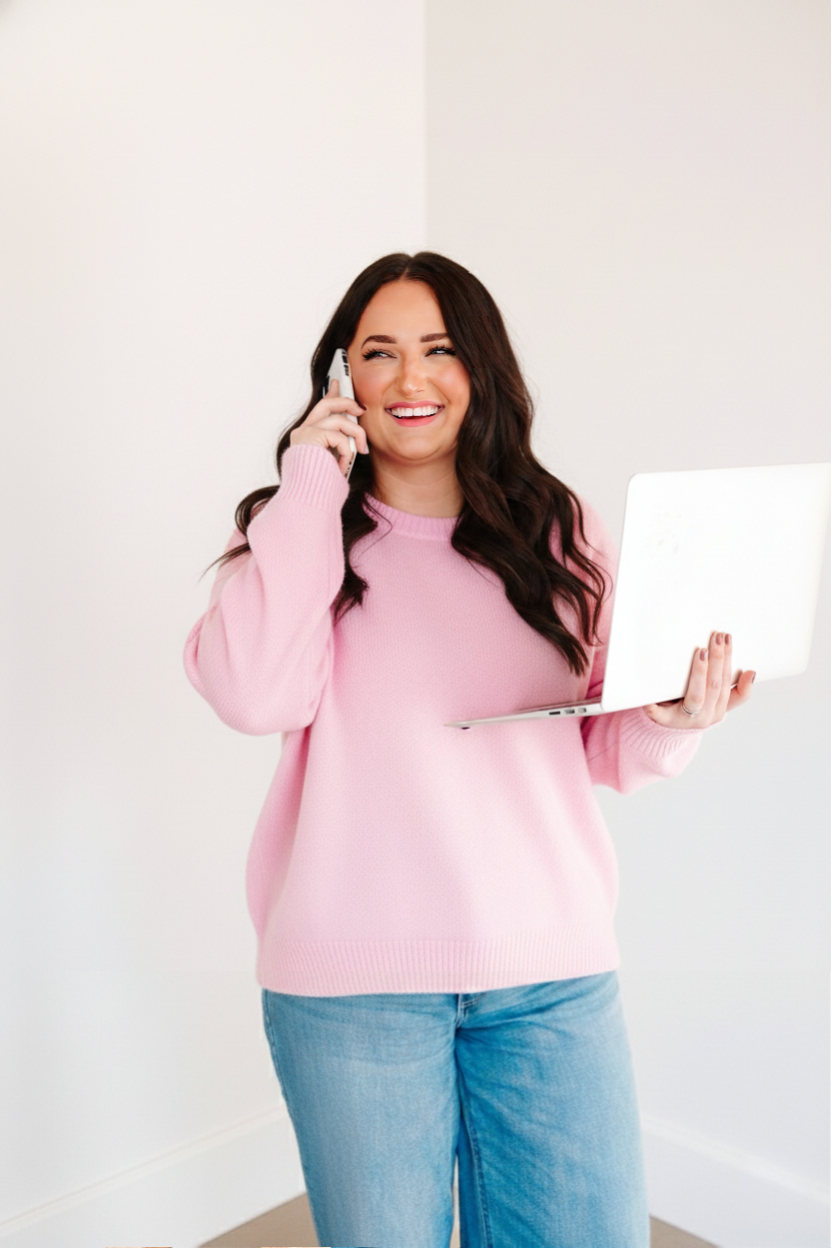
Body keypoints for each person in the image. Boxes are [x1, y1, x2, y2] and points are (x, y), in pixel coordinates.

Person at [184, 252, 754, 1248]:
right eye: (379, 354)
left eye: (440, 351)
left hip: (551, 978)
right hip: (350, 993)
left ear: (481, 369)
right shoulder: (299, 534)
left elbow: (606, 747)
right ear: (340, 380)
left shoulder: (558, 531)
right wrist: (310, 484)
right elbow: (252, 693)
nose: (411, 380)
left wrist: (677, 718)